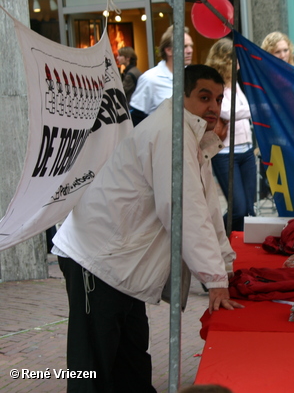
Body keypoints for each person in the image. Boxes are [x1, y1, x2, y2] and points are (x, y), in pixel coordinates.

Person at [52, 65, 243, 392]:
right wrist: (215, 279)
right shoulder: (170, 133)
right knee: (93, 369)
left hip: (121, 266)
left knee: (131, 362)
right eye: (204, 96)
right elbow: (184, 211)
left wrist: (224, 268)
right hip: (96, 261)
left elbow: (207, 208)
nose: (213, 106)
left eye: (218, 98)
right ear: (181, 95)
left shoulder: (191, 136)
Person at [205, 38, 257, 233]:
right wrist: (255, 109)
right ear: (225, 60)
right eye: (235, 59)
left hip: (246, 150)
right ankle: (216, 237)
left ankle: (236, 248)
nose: (239, 64)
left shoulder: (234, 83)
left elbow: (238, 111)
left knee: (248, 209)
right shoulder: (216, 84)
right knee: (238, 209)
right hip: (226, 152)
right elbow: (226, 112)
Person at [129, 25, 194, 126]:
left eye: (191, 46)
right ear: (168, 50)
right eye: (184, 46)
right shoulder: (150, 79)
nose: (190, 51)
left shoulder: (193, 77)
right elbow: (135, 118)